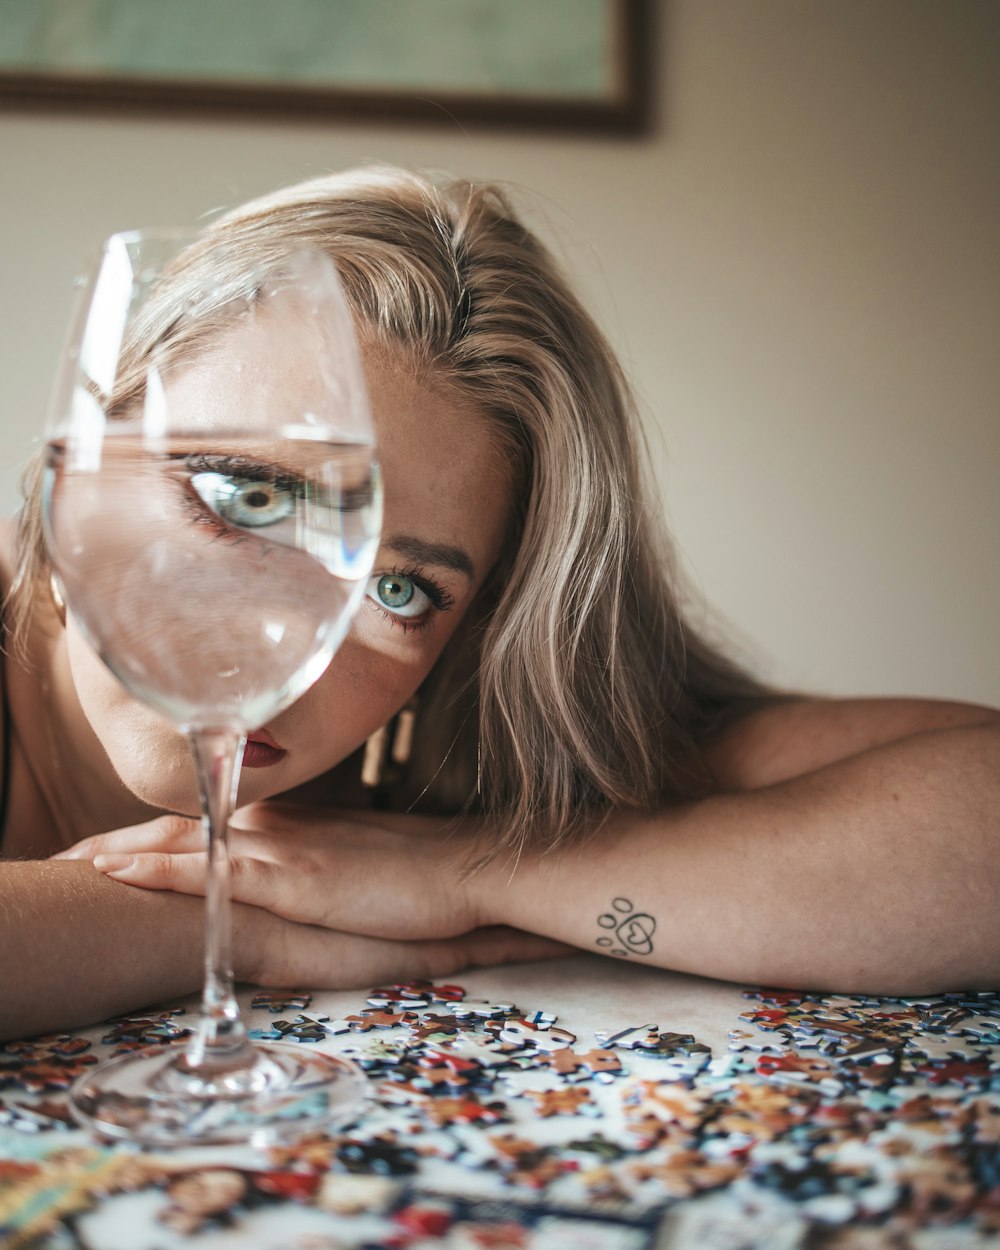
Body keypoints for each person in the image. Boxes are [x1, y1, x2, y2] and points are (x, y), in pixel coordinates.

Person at [1, 166, 997, 1041]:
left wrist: (464, 871)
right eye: (245, 496)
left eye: (399, 587)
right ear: (78, 462)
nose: (282, 636)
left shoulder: (445, 740)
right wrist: (226, 921)